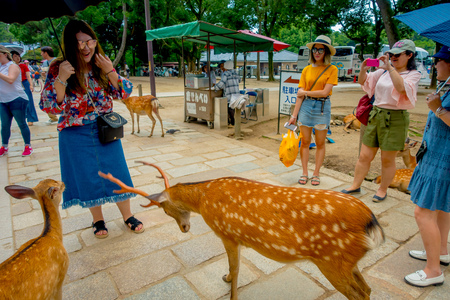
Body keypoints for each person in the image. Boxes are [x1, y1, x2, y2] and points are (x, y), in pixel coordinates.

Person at [39, 19, 144, 238]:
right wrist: (61, 79)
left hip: (105, 129)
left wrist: (110, 70)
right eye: (80, 43)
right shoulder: (58, 67)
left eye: (90, 41)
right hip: (74, 133)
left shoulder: (101, 63)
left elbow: (124, 93)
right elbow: (50, 106)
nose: (86, 47)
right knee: (88, 176)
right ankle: (97, 220)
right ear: (70, 43)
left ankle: (127, 215)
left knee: (117, 173)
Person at [341, 39, 421, 201]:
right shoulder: (383, 72)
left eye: (398, 55)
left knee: (387, 158)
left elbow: (401, 88)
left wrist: (390, 68)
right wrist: (363, 69)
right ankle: (355, 185)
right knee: (364, 155)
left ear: (409, 55)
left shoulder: (413, 74)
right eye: (391, 54)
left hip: (395, 118)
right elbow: (364, 81)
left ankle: (383, 189)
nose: (393, 57)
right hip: (376, 115)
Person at [404, 46, 450, 287]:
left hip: (442, 161)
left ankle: (433, 271)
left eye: (439, 61)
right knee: (440, 207)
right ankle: (440, 252)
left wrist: (439, 109)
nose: (435, 66)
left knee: (422, 211)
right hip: (436, 156)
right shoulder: (446, 85)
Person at [287, 35, 338, 186]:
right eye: (314, 49)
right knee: (305, 142)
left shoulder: (332, 69)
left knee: (321, 143)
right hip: (306, 106)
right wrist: (293, 116)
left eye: (320, 50)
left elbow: (324, 92)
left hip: (322, 107)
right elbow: (299, 95)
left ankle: (316, 173)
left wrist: (306, 93)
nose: (317, 52)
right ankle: (304, 172)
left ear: (326, 52)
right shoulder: (306, 70)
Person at [0, 46, 33, 157]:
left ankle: (28, 146)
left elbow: (10, 79)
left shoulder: (12, 66)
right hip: (3, 100)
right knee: (4, 125)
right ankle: (4, 146)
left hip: (17, 99)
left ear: (5, 54)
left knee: (21, 123)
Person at [11, 51, 39, 126]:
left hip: (24, 83)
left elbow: (28, 76)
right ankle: (22, 118)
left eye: (18, 56)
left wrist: (31, 85)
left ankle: (31, 118)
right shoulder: (10, 67)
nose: (17, 58)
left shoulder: (23, 66)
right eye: (15, 56)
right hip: (15, 85)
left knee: (29, 101)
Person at [214, 60, 241, 126]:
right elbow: (239, 80)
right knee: (233, 107)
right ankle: (233, 120)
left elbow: (221, 84)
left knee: (229, 107)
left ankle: (232, 121)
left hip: (229, 93)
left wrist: (215, 88)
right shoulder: (236, 73)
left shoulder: (226, 74)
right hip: (236, 93)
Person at [41, 46, 59, 124]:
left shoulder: (56, 61)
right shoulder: (45, 63)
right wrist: (43, 75)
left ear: (45, 53)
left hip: (57, 84)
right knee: (47, 100)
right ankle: (53, 117)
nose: (41, 54)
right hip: (48, 85)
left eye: (42, 52)